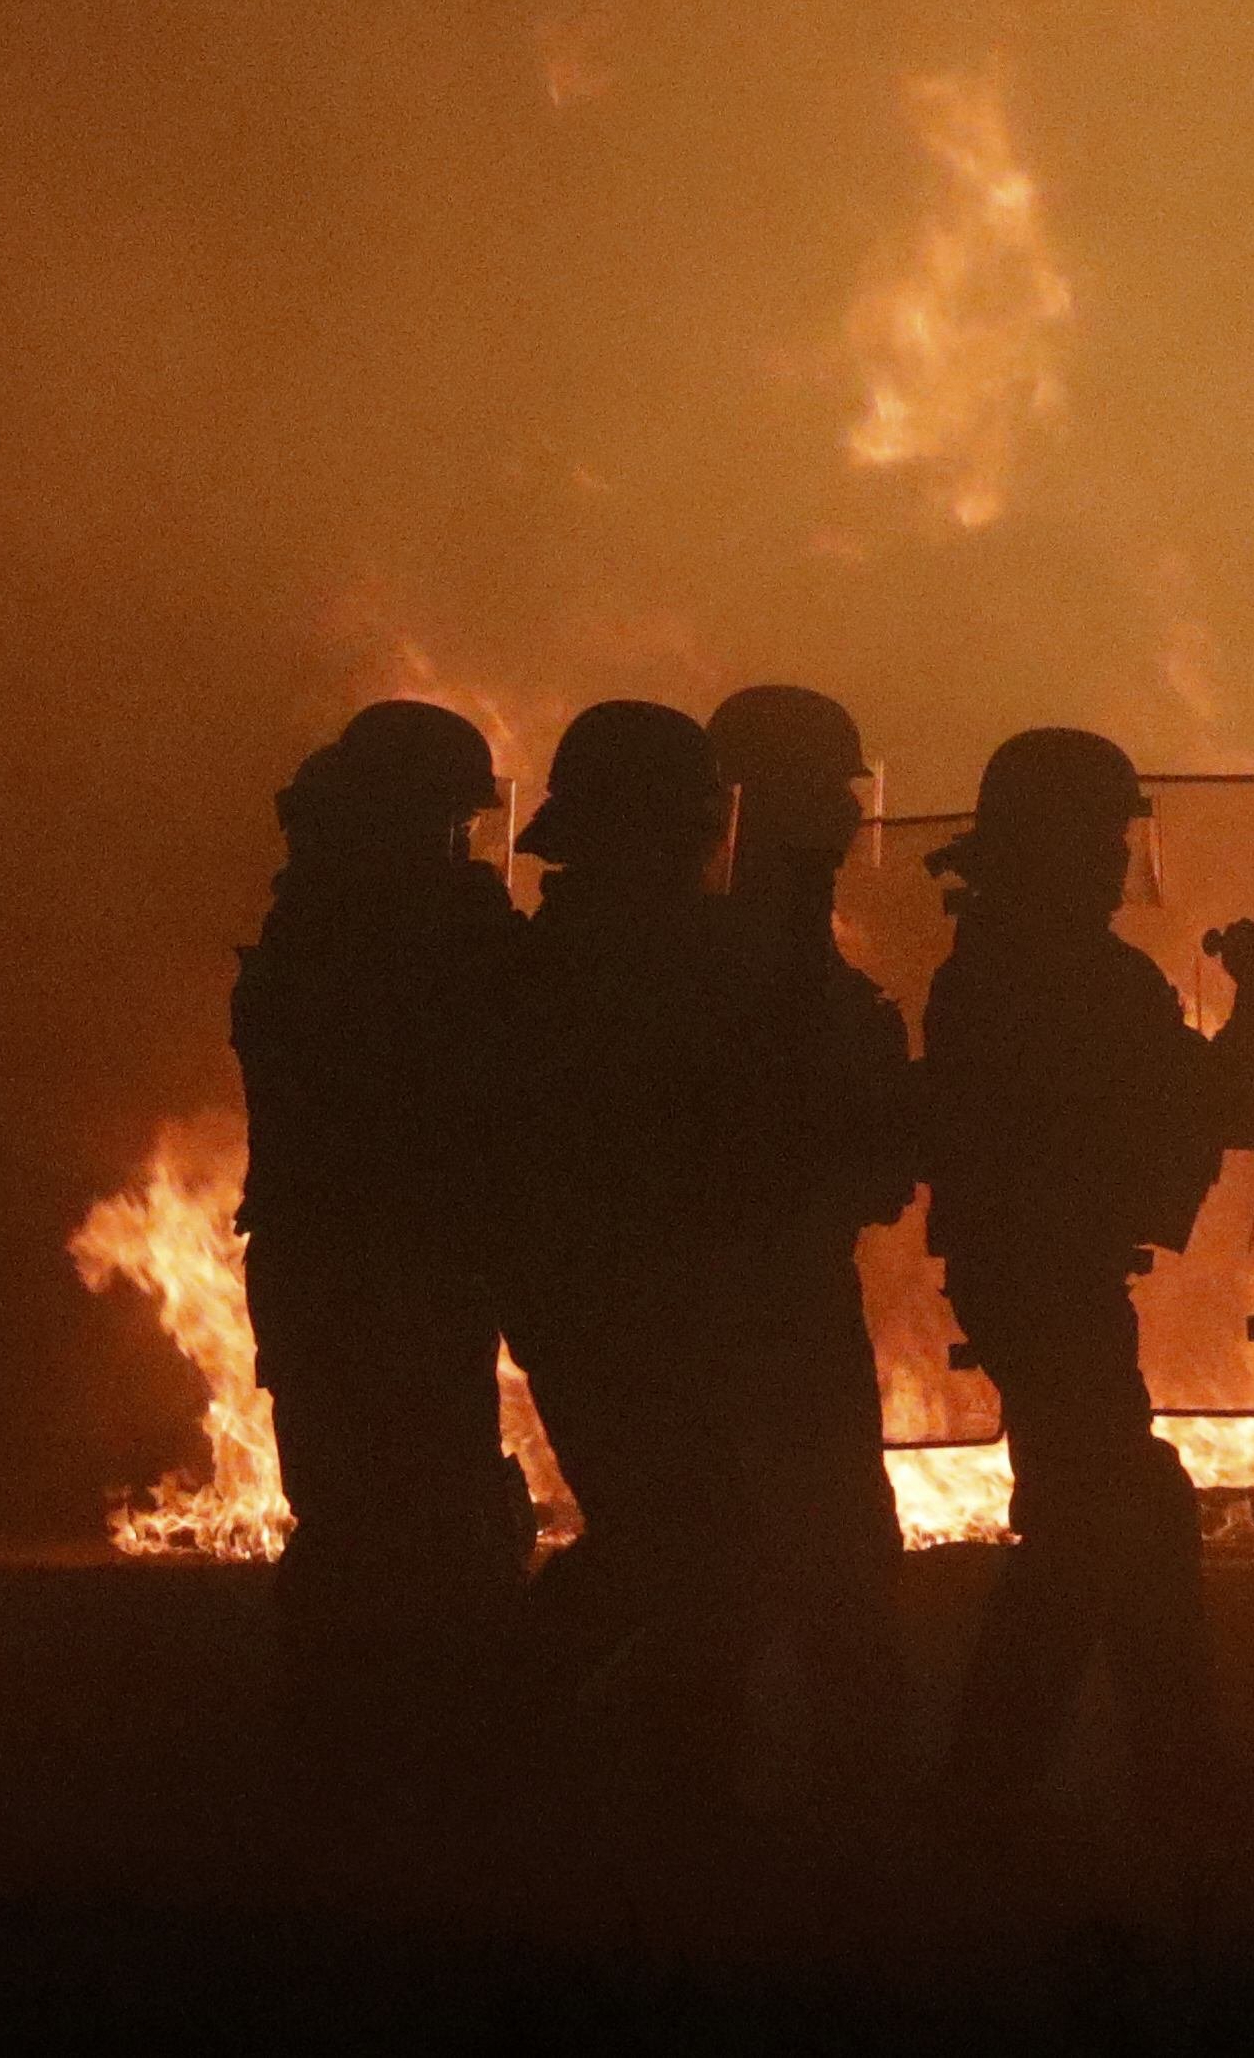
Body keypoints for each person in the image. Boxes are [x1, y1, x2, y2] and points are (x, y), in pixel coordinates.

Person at [920, 729, 1254, 1820]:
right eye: (1099, 838)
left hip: (1030, 1273)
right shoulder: (1074, 974)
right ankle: (990, 1791)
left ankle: (1164, 1768)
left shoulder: (997, 961)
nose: (1113, 861)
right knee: (1090, 1523)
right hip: (1047, 1280)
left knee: (1128, 1507)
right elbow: (1209, 1107)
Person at [231, 700, 533, 1789]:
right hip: (395, 1262)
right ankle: (400, 1750)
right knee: (414, 1510)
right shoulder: (393, 946)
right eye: (444, 828)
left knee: (363, 1507)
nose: (458, 851)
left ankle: (356, 1747)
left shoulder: (307, 934)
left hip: (330, 1265)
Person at [496, 700, 749, 1796]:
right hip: (613, 1301)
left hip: (620, 1297)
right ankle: (499, 1735)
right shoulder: (605, 970)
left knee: (691, 1545)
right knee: (687, 1545)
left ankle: (657, 1780)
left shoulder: (590, 958)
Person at [704, 685, 920, 1822]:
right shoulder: (729, 955)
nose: (847, 815)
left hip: (784, 1283)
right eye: (826, 792)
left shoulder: (774, 943)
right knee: (783, 1560)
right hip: (751, 1294)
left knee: (802, 1558)